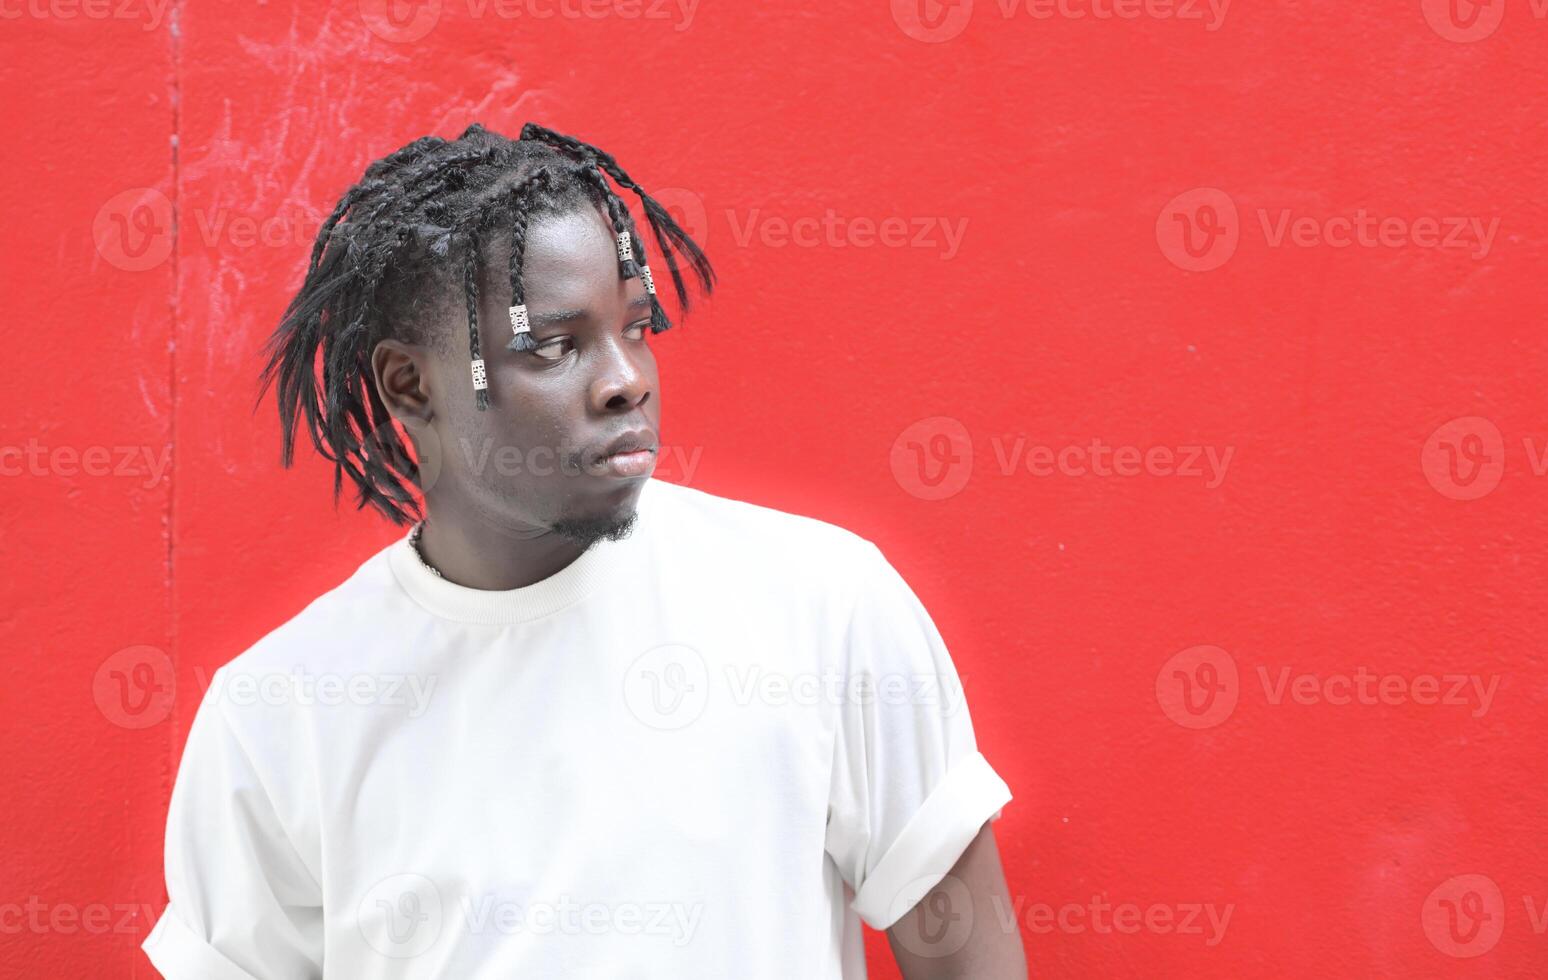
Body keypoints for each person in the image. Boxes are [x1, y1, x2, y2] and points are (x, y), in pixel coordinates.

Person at [140, 122, 1025, 978]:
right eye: (557, 345)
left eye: (637, 328)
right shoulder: (279, 714)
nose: (626, 379)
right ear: (410, 384)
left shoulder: (821, 606)